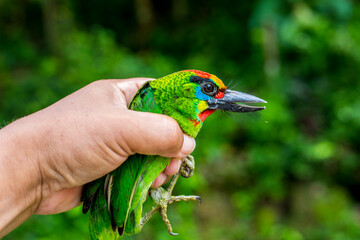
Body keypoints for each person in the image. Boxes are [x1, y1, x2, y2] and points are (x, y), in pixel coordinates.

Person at [0, 78, 196, 237]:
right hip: (108, 209)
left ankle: (157, 196)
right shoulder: (153, 101)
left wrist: (39, 174)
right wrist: (40, 164)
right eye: (209, 89)